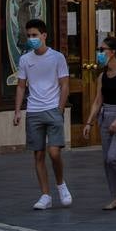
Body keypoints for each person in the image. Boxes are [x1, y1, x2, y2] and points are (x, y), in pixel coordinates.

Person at [13, 19, 72, 210]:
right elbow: (21, 87)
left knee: (54, 153)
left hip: (53, 109)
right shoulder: (25, 60)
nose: (32, 39)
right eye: (29, 36)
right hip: (34, 111)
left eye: (35, 35)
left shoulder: (57, 57)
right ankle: (45, 195)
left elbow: (64, 84)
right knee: (38, 154)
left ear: (44, 35)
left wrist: (60, 109)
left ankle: (61, 184)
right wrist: (17, 111)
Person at [83, 36, 116, 210]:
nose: (99, 53)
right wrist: (89, 123)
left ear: (112, 52)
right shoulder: (102, 76)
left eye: (102, 49)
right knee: (107, 160)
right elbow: (98, 101)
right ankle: (115, 196)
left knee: (114, 157)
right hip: (105, 116)